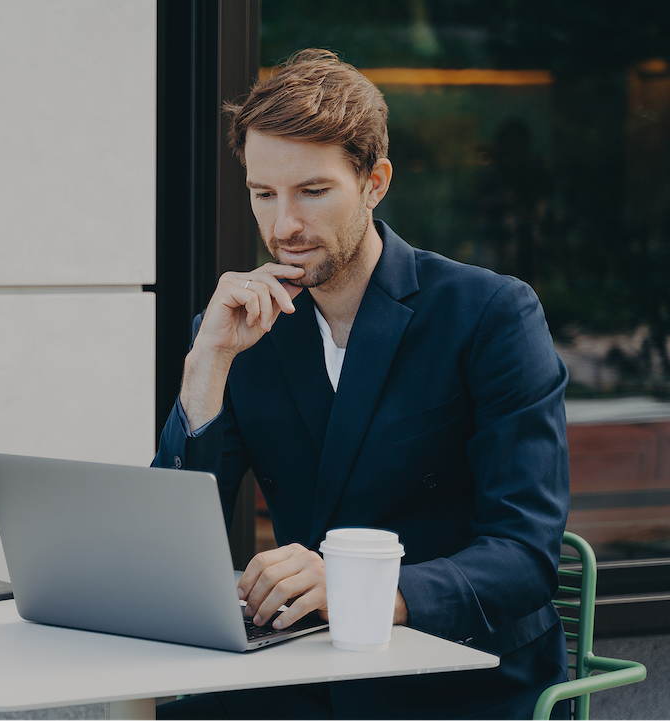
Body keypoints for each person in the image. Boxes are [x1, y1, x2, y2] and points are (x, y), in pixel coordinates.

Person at [153, 49, 570, 720]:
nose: (283, 225)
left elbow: (525, 554)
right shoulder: (240, 329)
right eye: (264, 193)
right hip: (306, 667)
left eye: (312, 191)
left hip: (459, 674)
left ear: (374, 182)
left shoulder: (490, 314)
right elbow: (164, 549)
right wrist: (205, 370)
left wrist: (358, 590)